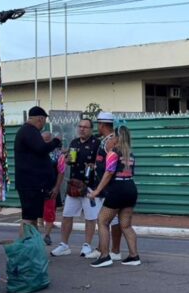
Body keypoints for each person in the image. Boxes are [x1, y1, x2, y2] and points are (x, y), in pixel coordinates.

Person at [89, 122, 141, 268]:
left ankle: (105, 256)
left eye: (112, 136)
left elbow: (109, 173)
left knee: (102, 221)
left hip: (117, 189)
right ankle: (134, 256)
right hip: (131, 188)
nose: (110, 139)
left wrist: (97, 191)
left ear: (117, 137)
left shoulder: (113, 153)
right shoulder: (130, 154)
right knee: (126, 225)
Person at [51, 118, 102, 258]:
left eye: (85, 127)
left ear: (91, 129)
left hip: (90, 186)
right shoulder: (74, 142)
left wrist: (94, 166)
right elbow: (69, 161)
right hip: (74, 185)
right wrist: (67, 160)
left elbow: (102, 163)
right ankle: (64, 245)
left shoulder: (97, 143)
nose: (82, 129)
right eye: (80, 126)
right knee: (67, 215)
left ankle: (87, 245)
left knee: (90, 217)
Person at [13, 106, 60, 239]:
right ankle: (25, 245)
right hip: (29, 184)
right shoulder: (29, 131)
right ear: (40, 119)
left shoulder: (28, 131)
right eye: (44, 121)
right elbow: (41, 148)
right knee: (28, 218)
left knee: (33, 218)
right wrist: (56, 142)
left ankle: (33, 245)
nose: (43, 124)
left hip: (33, 184)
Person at [93, 112, 123, 262]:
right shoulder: (106, 140)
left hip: (110, 187)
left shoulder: (112, 141)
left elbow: (111, 168)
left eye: (98, 124)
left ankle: (114, 251)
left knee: (111, 219)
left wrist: (100, 188)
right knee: (105, 219)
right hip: (105, 186)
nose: (97, 127)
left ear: (102, 125)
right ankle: (101, 249)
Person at [41, 131, 66, 246]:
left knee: (50, 212)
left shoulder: (58, 154)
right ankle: (36, 235)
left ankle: (47, 235)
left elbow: (61, 171)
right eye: (43, 139)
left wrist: (56, 187)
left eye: (47, 140)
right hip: (36, 187)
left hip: (51, 187)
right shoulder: (36, 151)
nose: (45, 142)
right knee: (36, 212)